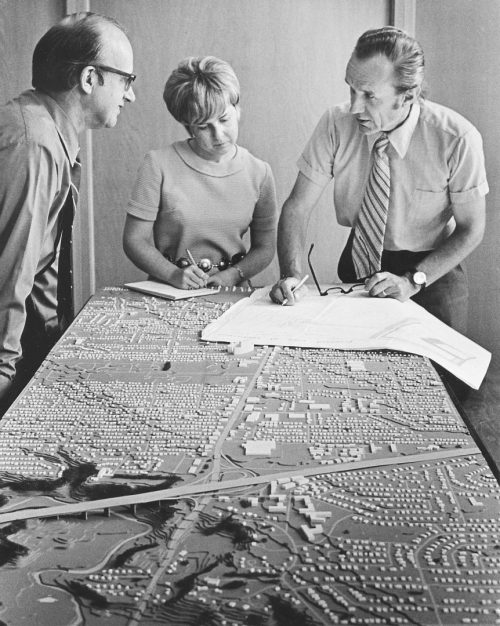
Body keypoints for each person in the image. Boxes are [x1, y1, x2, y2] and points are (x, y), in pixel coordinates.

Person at [270, 27, 488, 338]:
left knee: (444, 382)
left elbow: (472, 229)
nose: (355, 107)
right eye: (351, 90)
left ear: (408, 95)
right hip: (362, 256)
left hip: (433, 269)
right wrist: (291, 275)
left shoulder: (458, 139)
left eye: (370, 95)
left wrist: (412, 281)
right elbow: (297, 206)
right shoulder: (336, 123)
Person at [0, 12, 136, 412]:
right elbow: (8, 277)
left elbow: (37, 268)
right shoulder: (34, 144)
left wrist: (49, 348)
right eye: (126, 80)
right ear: (90, 78)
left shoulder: (43, 129)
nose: (130, 95)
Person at [123, 56, 277, 291]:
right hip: (170, 290)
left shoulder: (260, 172)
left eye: (224, 119)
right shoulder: (157, 164)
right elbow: (135, 240)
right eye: (204, 126)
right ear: (188, 126)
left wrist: (233, 275)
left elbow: (265, 247)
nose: (219, 134)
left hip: (232, 292)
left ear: (237, 110)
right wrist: (173, 274)